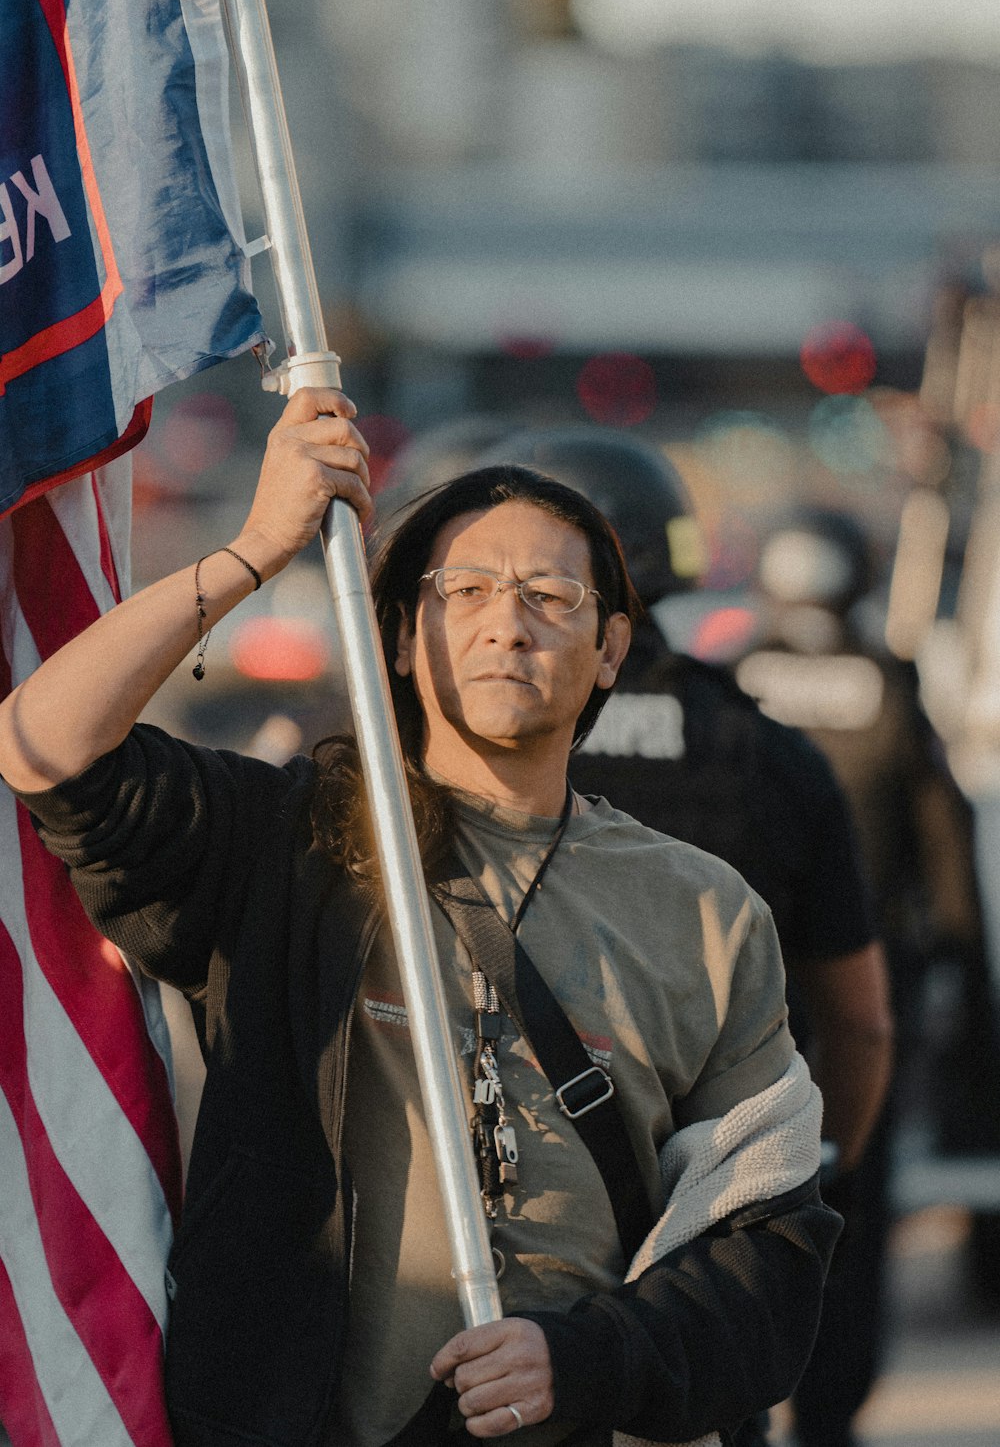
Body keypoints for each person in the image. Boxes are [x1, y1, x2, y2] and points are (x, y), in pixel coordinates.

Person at [0, 388, 842, 1447]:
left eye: (550, 594)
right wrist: (258, 549)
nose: (507, 622)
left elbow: (765, 1250)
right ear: (399, 635)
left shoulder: (705, 911)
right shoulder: (284, 847)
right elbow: (42, 745)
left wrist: (583, 1360)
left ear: (612, 648)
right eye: (466, 589)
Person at [480, 426, 894, 1186]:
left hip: (518, 1175)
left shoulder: (478, 746)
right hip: (727, 1178)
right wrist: (812, 1175)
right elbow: (861, 1024)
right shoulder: (769, 752)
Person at [737, 502, 999, 1447]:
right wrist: (966, 982)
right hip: (860, 996)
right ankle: (831, 1421)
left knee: (732, 1204)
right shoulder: (889, 685)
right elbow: (946, 849)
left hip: (739, 1004)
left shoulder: (732, 685)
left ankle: (744, 1398)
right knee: (844, 1207)